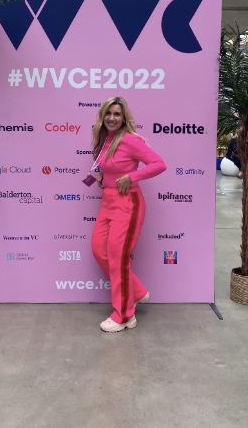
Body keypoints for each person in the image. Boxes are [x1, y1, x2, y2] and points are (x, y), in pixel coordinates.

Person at [90, 97, 166, 332]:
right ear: (103, 116)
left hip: (128, 203)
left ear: (124, 118)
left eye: (117, 114)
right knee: (99, 250)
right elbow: (106, 165)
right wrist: (104, 176)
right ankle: (137, 291)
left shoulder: (131, 140)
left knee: (118, 256)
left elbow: (159, 164)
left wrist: (131, 177)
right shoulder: (105, 139)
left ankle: (125, 315)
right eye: (108, 114)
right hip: (108, 201)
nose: (112, 118)